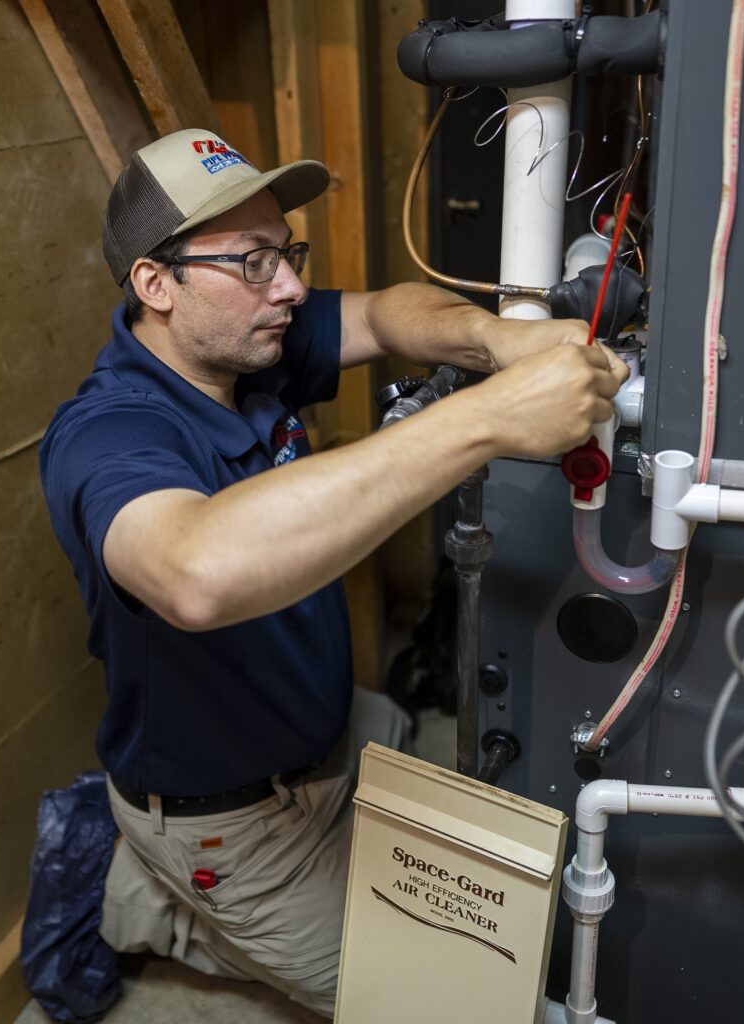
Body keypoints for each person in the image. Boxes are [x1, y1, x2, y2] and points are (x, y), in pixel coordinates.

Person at [39, 128, 626, 1017]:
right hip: (234, 821)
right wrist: (486, 421)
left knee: (498, 907)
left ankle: (188, 894)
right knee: (452, 1001)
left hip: (334, 735)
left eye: (288, 251)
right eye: (254, 261)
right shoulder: (109, 433)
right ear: (155, 285)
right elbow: (192, 572)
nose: (292, 286)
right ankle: (168, 902)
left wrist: (492, 340)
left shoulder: (246, 346)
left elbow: (385, 312)